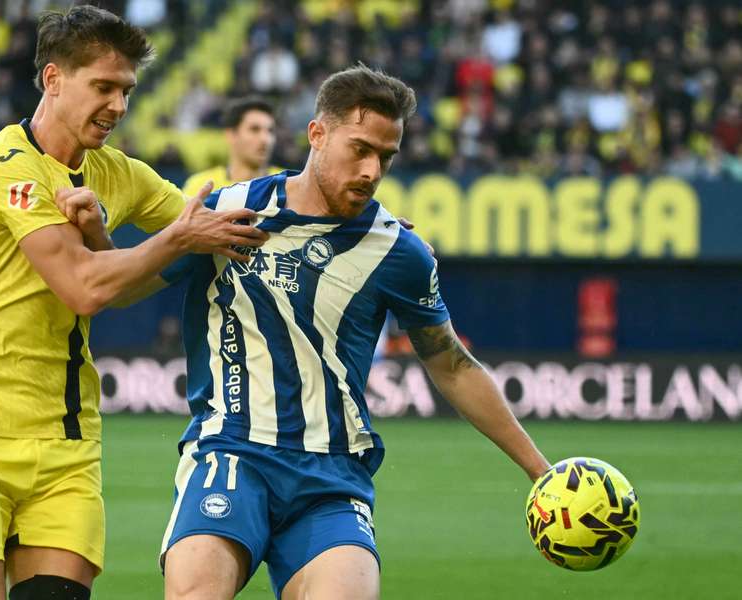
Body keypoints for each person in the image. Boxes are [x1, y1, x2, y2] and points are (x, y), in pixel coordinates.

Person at [0, 6, 266, 600]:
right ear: (53, 79)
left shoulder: (117, 173)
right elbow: (85, 287)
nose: (118, 105)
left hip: (66, 434)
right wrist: (175, 239)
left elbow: (217, 221)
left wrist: (344, 223)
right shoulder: (6, 161)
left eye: (126, 90)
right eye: (103, 87)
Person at [157, 65, 551, 599]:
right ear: (317, 134)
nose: (371, 171)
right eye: (360, 149)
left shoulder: (397, 252)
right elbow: (125, 282)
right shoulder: (228, 212)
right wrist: (109, 235)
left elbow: (453, 366)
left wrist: (540, 471)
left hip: (331, 474)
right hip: (230, 452)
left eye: (385, 158)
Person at [182, 96, 283, 197]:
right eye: (254, 129)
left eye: (270, 131)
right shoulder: (199, 186)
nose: (265, 139)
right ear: (231, 135)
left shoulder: (287, 184)